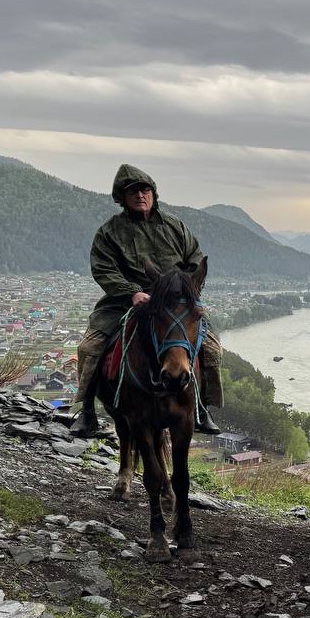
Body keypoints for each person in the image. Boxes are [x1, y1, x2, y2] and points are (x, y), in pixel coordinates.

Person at [69, 164, 222, 438]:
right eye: (133, 191)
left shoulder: (175, 226)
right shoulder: (110, 232)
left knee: (211, 348)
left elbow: (195, 259)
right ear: (122, 197)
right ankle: (88, 411)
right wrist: (131, 292)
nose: (140, 195)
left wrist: (181, 289)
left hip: (174, 303)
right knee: (89, 346)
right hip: (126, 301)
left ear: (153, 193)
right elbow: (103, 269)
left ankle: (202, 406)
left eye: (145, 189)